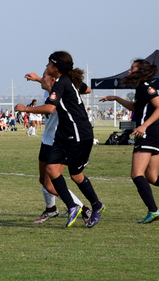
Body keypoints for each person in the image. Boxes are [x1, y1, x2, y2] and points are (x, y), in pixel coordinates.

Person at [15, 51, 104, 228]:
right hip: (64, 134)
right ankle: (72, 206)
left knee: (76, 176)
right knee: (51, 170)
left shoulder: (62, 83)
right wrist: (38, 80)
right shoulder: (63, 82)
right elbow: (66, 88)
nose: (46, 68)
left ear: (56, 68)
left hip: (78, 134)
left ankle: (94, 206)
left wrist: (25, 108)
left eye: (48, 65)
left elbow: (49, 108)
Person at [100, 59, 159, 223]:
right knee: (152, 177)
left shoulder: (147, 87)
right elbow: (136, 108)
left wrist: (144, 126)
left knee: (136, 174)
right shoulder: (141, 88)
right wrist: (116, 98)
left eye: (132, 68)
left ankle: (153, 211)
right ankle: (153, 211)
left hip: (148, 134)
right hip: (153, 135)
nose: (129, 71)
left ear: (140, 70)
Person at [25, 70, 86, 224]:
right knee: (43, 181)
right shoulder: (49, 91)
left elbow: (87, 89)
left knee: (50, 185)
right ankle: (51, 209)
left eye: (44, 75)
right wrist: (39, 79)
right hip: (47, 140)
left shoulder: (62, 92)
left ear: (53, 79)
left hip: (60, 142)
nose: (41, 77)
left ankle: (84, 210)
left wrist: (26, 109)